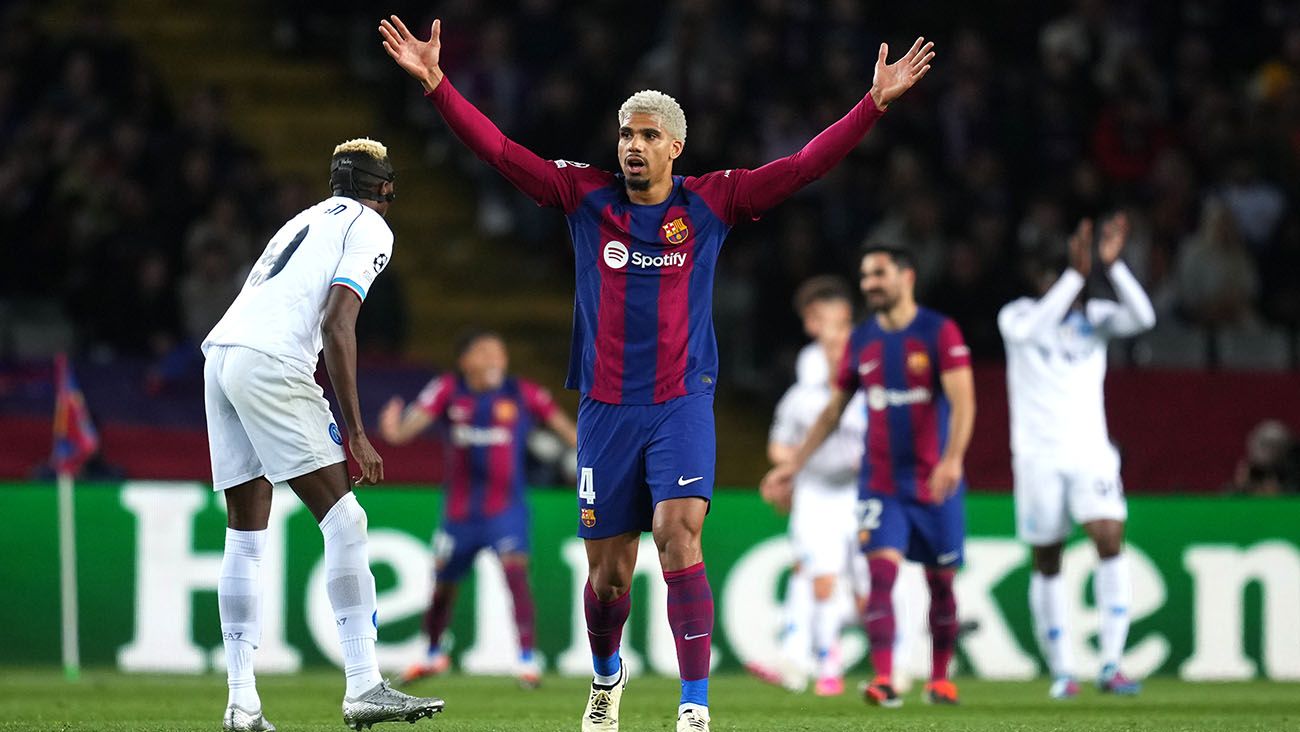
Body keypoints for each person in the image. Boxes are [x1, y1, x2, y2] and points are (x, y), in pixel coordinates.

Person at [379, 14, 934, 732]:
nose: (632, 146)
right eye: (625, 135)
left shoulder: (712, 201)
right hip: (606, 409)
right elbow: (502, 153)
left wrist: (873, 105)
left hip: (681, 402)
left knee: (679, 535)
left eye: (646, 136)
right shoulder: (586, 197)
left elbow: (802, 167)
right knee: (609, 579)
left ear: (674, 147)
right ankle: (607, 680)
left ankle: (694, 706)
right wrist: (436, 84)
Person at [202, 138, 444, 731]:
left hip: (221, 355)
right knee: (346, 520)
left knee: (246, 534)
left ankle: (242, 703)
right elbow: (339, 324)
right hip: (272, 361)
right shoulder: (370, 227)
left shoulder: (303, 218)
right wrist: (356, 431)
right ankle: (364, 685)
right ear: (385, 189)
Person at [762, 244, 976, 708]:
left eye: (879, 274)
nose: (870, 284)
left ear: (907, 277)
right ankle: (884, 679)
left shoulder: (938, 332)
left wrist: (953, 458)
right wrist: (793, 467)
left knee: (941, 583)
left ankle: (939, 677)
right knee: (879, 577)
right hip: (881, 482)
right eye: (864, 276)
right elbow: (833, 412)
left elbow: (964, 401)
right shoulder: (863, 341)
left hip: (934, 481)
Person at [998, 214, 1155, 698]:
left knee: (1109, 538)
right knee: (1047, 557)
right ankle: (1063, 670)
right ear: (1041, 280)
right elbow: (1036, 333)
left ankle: (1111, 663)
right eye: (1054, 275)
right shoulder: (1019, 316)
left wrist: (1113, 267)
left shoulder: (1096, 319)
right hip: (1038, 456)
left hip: (1091, 450)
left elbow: (1145, 318)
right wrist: (1074, 276)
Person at [378, 329, 578, 688]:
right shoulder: (447, 391)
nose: (495, 360)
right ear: (465, 360)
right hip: (459, 513)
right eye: (485, 353)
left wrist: (593, 454)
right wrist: (393, 430)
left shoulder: (522, 393)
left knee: (515, 575)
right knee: (443, 586)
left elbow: (568, 430)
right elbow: (405, 432)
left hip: (507, 509)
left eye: (500, 353)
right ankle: (432, 652)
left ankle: (527, 660)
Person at [750, 276, 868, 696]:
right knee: (815, 573)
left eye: (819, 319)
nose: (816, 332)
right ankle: (814, 660)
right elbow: (779, 444)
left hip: (862, 490)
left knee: (867, 585)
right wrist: (794, 469)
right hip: (817, 491)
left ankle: (904, 653)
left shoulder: (870, 375)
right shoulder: (805, 386)